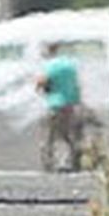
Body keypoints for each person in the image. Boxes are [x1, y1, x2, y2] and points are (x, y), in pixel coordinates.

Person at [36, 41, 85, 172]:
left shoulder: (50, 66)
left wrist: (40, 89)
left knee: (48, 137)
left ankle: (49, 165)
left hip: (54, 104)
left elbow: (41, 83)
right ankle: (74, 163)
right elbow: (77, 85)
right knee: (69, 136)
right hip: (71, 105)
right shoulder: (69, 65)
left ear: (48, 51)